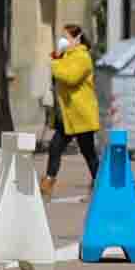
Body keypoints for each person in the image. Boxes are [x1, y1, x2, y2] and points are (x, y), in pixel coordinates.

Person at [42, 21, 103, 193]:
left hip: (81, 114)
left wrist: (55, 63)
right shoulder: (66, 57)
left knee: (88, 152)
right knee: (55, 146)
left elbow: (70, 77)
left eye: (66, 37)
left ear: (77, 39)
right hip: (67, 115)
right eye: (62, 37)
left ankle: (99, 185)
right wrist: (57, 58)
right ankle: (49, 181)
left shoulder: (83, 57)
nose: (62, 40)